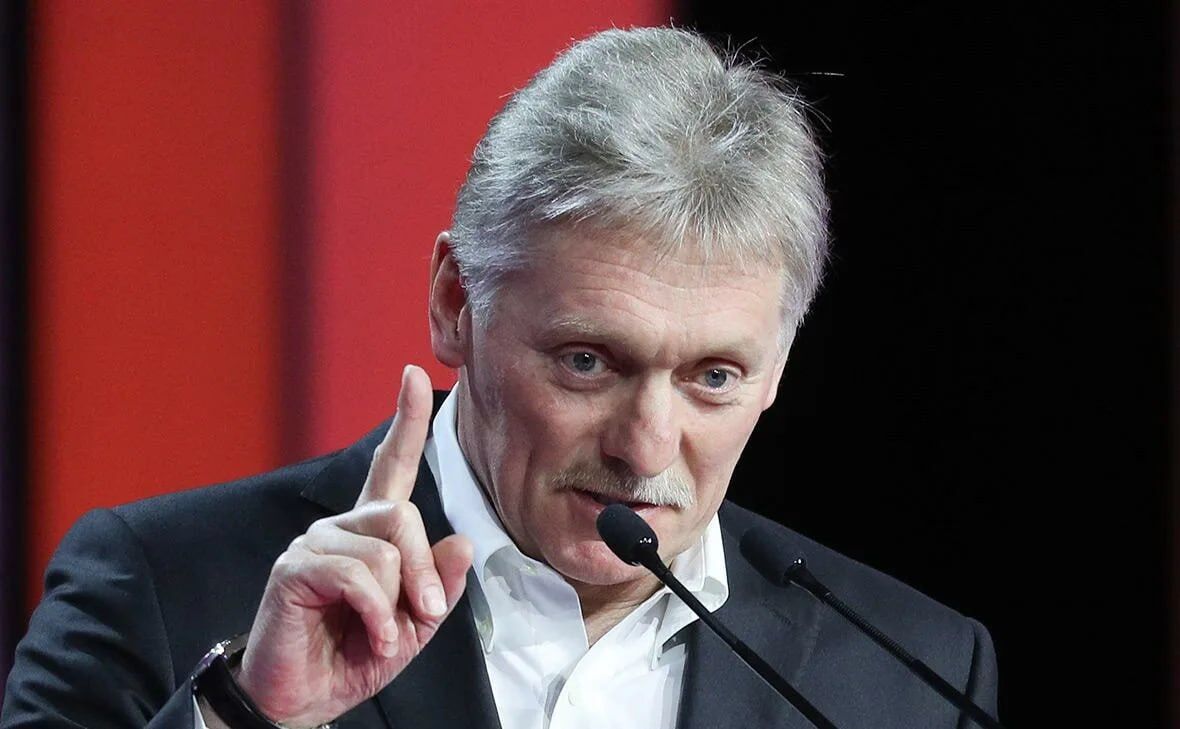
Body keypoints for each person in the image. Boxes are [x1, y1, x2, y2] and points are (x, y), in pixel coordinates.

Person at [1, 27, 997, 729]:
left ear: (778, 368)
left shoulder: (910, 675)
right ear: (455, 302)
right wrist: (248, 717)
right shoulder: (165, 586)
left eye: (713, 377)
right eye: (587, 361)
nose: (645, 447)